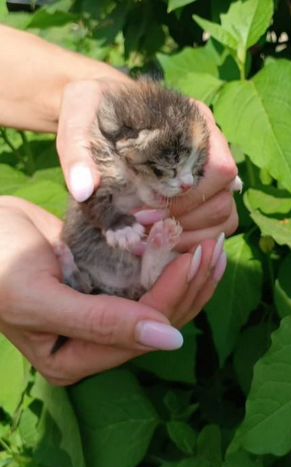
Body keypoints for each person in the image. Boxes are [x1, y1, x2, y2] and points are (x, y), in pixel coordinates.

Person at [0, 25, 240, 386]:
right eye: (175, 170)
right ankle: (101, 274)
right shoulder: (117, 161)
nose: (187, 183)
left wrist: (86, 86)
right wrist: (114, 221)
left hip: (127, 256)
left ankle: (144, 267)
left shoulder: (140, 142)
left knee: (162, 255)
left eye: (191, 168)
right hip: (101, 257)